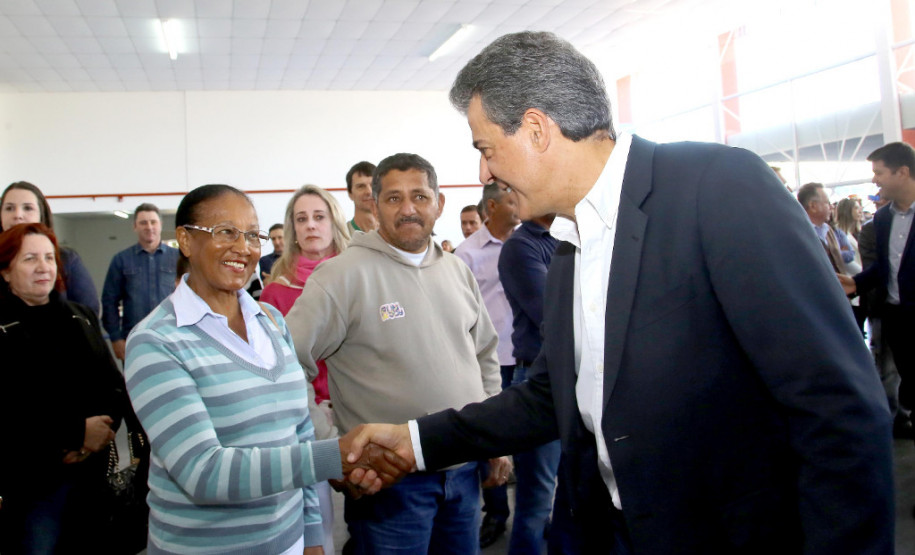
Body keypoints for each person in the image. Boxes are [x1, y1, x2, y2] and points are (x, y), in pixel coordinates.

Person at [349, 31, 893, 553]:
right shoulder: (567, 246)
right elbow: (553, 393)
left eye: (487, 148)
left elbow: (836, 407)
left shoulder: (716, 187)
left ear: (536, 130)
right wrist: (416, 441)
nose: (486, 170)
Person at [123, 184, 410, 555]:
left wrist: (310, 534)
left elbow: (300, 430)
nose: (243, 248)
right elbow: (202, 471)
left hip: (287, 541)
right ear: (186, 240)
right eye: (226, 232)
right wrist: (333, 456)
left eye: (252, 235)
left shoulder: (270, 320)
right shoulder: (155, 341)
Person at [285, 153, 507, 554]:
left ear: (439, 204)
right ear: (373, 204)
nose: (408, 209)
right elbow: (285, 367)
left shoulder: (456, 270)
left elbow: (486, 356)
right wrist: (332, 451)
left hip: (464, 475)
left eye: (420, 197)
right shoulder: (340, 276)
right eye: (393, 198)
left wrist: (494, 440)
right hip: (391, 486)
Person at [0, 222, 126, 554]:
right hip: (34, 485)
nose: (43, 267)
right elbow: (11, 410)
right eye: (29, 259)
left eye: (49, 257)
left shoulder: (81, 317)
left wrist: (99, 432)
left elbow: (113, 387)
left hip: (92, 476)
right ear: (5, 271)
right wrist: (75, 434)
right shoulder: (2, 328)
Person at [260, 185, 352, 555]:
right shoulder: (275, 293)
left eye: (319, 216)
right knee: (320, 531)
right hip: (304, 420)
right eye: (302, 219)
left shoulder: (356, 275)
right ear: (292, 229)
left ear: (334, 222)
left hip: (359, 413)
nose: (311, 225)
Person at [839, 142, 915, 518]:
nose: (875, 181)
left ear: (902, 172)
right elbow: (885, 269)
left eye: (880, 173)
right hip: (900, 323)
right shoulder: (883, 220)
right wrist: (856, 283)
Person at [454, 181, 521, 547]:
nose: (518, 203)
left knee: (531, 444)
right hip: (491, 362)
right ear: (492, 207)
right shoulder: (466, 255)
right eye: (511, 199)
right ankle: (496, 513)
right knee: (492, 441)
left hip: (527, 357)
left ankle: (534, 513)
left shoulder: (527, 241)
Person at [497, 213, 561, 555]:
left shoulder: (567, 236)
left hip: (571, 379)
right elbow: (552, 312)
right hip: (539, 382)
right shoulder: (521, 247)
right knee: (537, 502)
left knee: (570, 499)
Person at [1, 181, 99, 314]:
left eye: (28, 208)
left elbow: (89, 311)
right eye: (9, 208)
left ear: (42, 214)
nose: (17, 215)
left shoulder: (67, 258)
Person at [101, 203, 180, 361]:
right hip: (135, 340)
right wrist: (116, 338)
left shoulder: (179, 258)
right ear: (135, 227)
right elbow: (109, 301)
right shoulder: (121, 260)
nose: (149, 227)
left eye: (153, 222)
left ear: (160, 225)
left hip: (173, 338)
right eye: (143, 223)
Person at [346, 161, 378, 232]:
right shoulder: (340, 236)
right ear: (350, 193)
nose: (369, 191)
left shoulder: (396, 234)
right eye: (361, 186)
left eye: (373, 185)